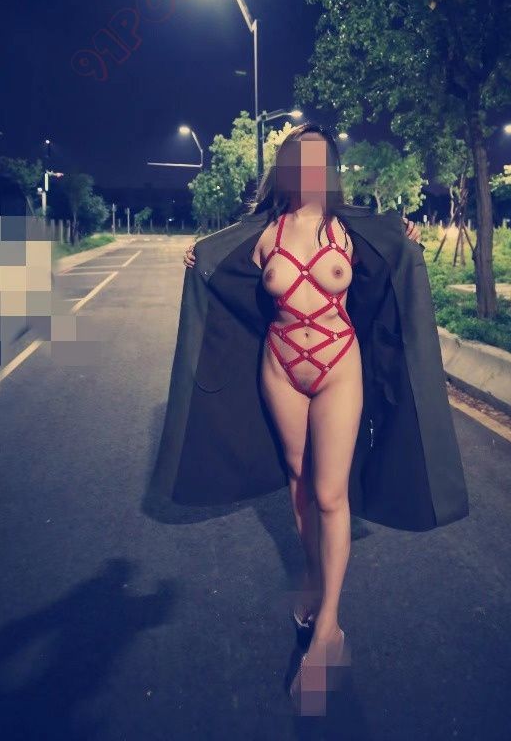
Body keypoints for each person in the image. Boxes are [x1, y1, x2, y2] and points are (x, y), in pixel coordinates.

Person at [181, 123, 428, 712]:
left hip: (340, 364)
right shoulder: (263, 235)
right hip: (280, 367)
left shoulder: (351, 230)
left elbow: (388, 260)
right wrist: (198, 256)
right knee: (298, 485)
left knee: (329, 493)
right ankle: (316, 584)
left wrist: (405, 237)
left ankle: (328, 631)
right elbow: (224, 273)